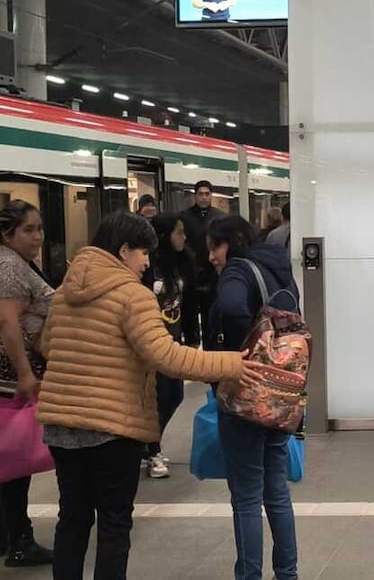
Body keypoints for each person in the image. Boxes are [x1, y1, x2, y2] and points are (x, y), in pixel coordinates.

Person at [37, 211, 257, 580]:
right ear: (124, 251)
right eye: (143, 254)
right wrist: (230, 363)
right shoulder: (131, 297)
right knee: (113, 521)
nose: (146, 263)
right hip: (111, 426)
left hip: (62, 427)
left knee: (72, 519)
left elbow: (48, 345)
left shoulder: (63, 293)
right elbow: (166, 356)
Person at [206, 216, 300, 580]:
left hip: (246, 392)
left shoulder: (237, 271)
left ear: (228, 243)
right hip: (280, 392)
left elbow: (230, 308)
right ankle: (287, 573)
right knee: (276, 488)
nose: (212, 257)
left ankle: (249, 576)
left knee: (246, 495)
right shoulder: (278, 269)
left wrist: (247, 348)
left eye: (214, 248)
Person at [0, 200, 53, 567]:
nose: (37, 236)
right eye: (28, 230)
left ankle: (10, 536)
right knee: (14, 460)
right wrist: (24, 374)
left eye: (39, 228)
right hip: (10, 380)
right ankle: (19, 538)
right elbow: (8, 323)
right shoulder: (9, 266)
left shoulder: (14, 262)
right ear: (8, 234)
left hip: (11, 377)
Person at [141, 214, 200, 479]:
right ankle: (151, 449)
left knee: (174, 395)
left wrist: (193, 335)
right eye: (179, 232)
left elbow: (189, 304)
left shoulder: (182, 263)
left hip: (174, 340)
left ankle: (148, 444)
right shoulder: (147, 266)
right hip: (151, 343)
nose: (183, 237)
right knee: (158, 396)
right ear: (165, 236)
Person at [180, 180, 226, 346]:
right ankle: (192, 344)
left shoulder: (219, 217)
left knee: (210, 315)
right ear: (195, 195)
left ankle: (210, 345)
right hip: (190, 273)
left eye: (207, 194)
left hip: (212, 274)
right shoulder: (184, 217)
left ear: (211, 195)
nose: (204, 197)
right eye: (200, 194)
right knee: (189, 314)